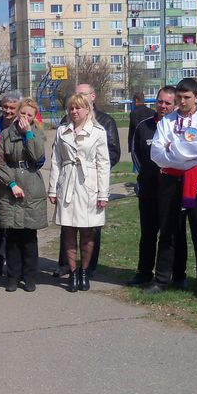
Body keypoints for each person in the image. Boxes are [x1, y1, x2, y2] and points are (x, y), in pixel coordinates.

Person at [145, 78, 197, 302]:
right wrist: (178, 152)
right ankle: (161, 280)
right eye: (179, 98)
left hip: (195, 180)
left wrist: (172, 147)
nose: (182, 101)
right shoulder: (167, 121)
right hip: (170, 181)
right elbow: (156, 153)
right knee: (167, 231)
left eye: (187, 97)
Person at [53, 83, 120, 277]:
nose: (75, 108)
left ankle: (86, 270)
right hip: (68, 184)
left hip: (89, 184)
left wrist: (102, 191)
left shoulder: (103, 125)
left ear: (92, 98)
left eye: (81, 99)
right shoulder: (63, 127)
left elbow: (106, 160)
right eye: (72, 104)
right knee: (68, 229)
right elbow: (56, 159)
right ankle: (70, 268)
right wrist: (53, 188)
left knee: (89, 231)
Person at [127, 86, 187, 287]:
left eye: (167, 103)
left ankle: (178, 275)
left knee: (174, 234)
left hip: (174, 190)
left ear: (176, 104)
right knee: (148, 233)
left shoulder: (180, 126)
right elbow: (135, 151)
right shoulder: (144, 126)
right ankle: (144, 272)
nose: (162, 106)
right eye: (160, 101)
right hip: (150, 189)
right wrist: (146, 174)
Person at [0, 98, 47, 292]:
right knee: (13, 235)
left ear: (34, 118)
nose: (25, 117)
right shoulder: (6, 134)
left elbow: (38, 157)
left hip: (32, 185)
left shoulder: (38, 134)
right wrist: (12, 183)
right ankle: (13, 276)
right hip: (11, 186)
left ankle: (30, 276)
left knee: (29, 236)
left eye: (29, 115)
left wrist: (29, 134)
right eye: (22, 113)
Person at [0, 90, 23, 277]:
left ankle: (14, 264)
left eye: (12, 108)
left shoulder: (23, 127)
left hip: (16, 180)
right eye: (5, 107)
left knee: (13, 225)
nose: (8, 111)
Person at [127, 91, 155, 156]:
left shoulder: (134, 113)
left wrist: (130, 146)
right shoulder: (152, 112)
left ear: (136, 100)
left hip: (138, 144)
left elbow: (133, 130)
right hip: (151, 142)